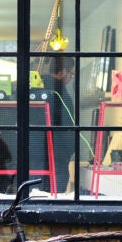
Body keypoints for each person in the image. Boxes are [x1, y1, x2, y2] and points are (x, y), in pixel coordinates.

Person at [46, 56, 76, 194]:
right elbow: (67, 127)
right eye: (72, 74)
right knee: (54, 199)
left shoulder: (34, 88)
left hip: (33, 157)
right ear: (63, 71)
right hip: (57, 157)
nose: (71, 78)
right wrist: (70, 150)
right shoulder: (60, 93)